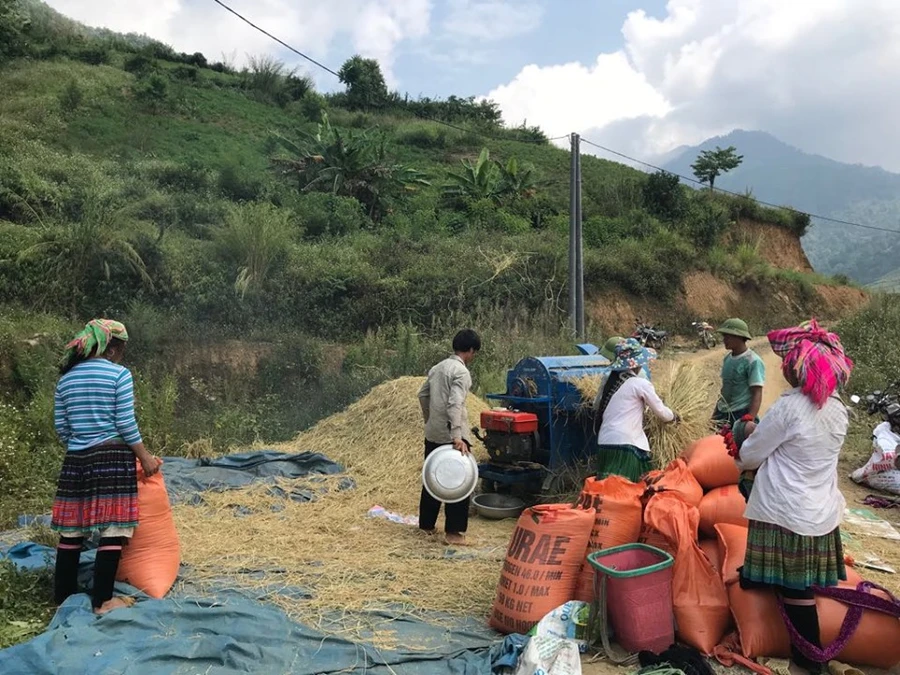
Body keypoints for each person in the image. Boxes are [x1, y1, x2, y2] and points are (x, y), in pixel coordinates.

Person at [732, 319, 853, 675]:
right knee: (796, 579)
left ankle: (810, 659)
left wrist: (745, 438)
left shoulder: (790, 407)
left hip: (786, 511)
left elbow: (752, 455)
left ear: (796, 369)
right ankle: (758, 576)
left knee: (796, 591)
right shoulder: (838, 410)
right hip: (819, 510)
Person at [51, 319, 162, 615]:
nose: (122, 355)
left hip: (76, 459)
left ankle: (62, 597)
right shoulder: (118, 375)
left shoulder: (66, 379)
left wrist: (81, 444)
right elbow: (126, 424)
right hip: (111, 457)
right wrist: (145, 458)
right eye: (122, 349)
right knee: (113, 528)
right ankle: (102, 601)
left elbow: (61, 427)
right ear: (112, 348)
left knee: (72, 529)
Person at [417, 329, 480, 546]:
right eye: (474, 352)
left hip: (433, 432)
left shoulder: (438, 367)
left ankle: (426, 525)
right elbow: (455, 403)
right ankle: (453, 532)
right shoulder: (461, 373)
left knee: (432, 477)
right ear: (470, 350)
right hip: (451, 434)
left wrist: (430, 419)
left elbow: (422, 395)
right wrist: (457, 436)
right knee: (458, 480)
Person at [595, 338, 678, 482]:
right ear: (638, 363)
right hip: (626, 445)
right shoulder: (639, 383)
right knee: (630, 489)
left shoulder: (612, 381)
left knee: (608, 490)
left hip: (605, 442)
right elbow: (661, 412)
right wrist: (675, 417)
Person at [713, 318, 765, 427]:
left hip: (741, 412)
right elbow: (725, 388)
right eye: (724, 336)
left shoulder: (753, 361)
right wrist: (716, 414)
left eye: (728, 337)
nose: (724, 340)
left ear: (739, 337)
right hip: (722, 412)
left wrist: (749, 418)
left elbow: (757, 392)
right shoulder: (727, 359)